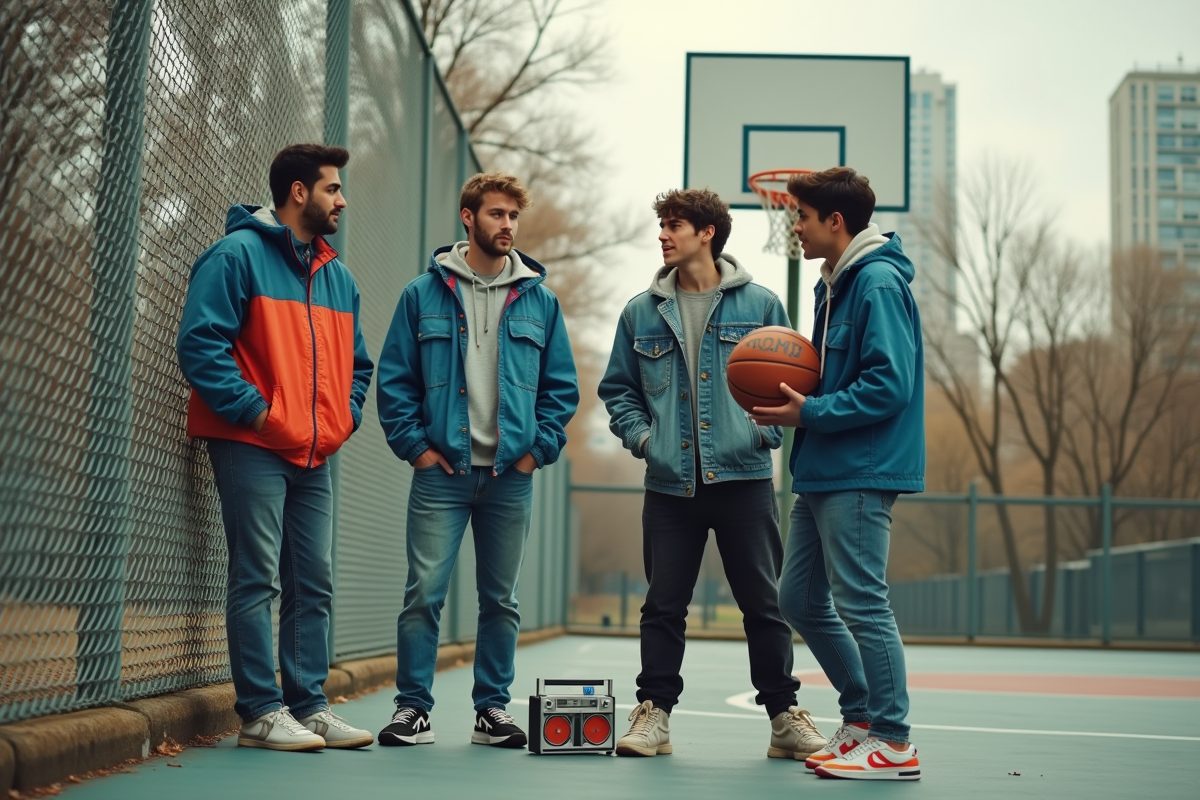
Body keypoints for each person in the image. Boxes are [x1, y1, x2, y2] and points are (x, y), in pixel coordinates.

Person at [597, 188, 825, 760]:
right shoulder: (639, 311)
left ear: (707, 233)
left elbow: (793, 383)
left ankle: (783, 717)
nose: (663, 235)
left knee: (763, 605)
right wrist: (646, 442)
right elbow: (617, 392)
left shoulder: (762, 305)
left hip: (744, 478)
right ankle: (654, 716)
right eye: (662, 226)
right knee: (663, 605)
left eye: (674, 225)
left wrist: (763, 435)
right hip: (670, 485)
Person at [176, 144, 375, 751]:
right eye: (332, 189)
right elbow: (200, 345)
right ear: (297, 192)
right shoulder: (235, 255)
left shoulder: (336, 276)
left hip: (317, 453)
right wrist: (261, 415)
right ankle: (261, 712)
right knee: (257, 578)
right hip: (250, 444)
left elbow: (358, 366)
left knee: (313, 580)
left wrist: (343, 418)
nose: (342, 200)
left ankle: (308, 706)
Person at [375, 172, 578, 749]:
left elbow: (561, 391)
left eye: (513, 216)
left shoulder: (540, 299)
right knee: (423, 595)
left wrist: (534, 455)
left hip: (509, 478)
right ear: (468, 218)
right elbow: (395, 381)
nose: (507, 225)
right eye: (496, 214)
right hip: (443, 476)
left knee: (501, 602)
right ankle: (413, 709)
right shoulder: (423, 294)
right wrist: (416, 448)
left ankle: (492, 711)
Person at [750, 167, 924, 781]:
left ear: (835, 221)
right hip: (823, 465)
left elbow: (890, 383)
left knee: (862, 601)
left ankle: (894, 741)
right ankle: (861, 721)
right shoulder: (835, 284)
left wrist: (812, 410)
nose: (793, 225)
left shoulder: (875, 282)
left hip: (859, 465)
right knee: (796, 596)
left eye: (801, 216)